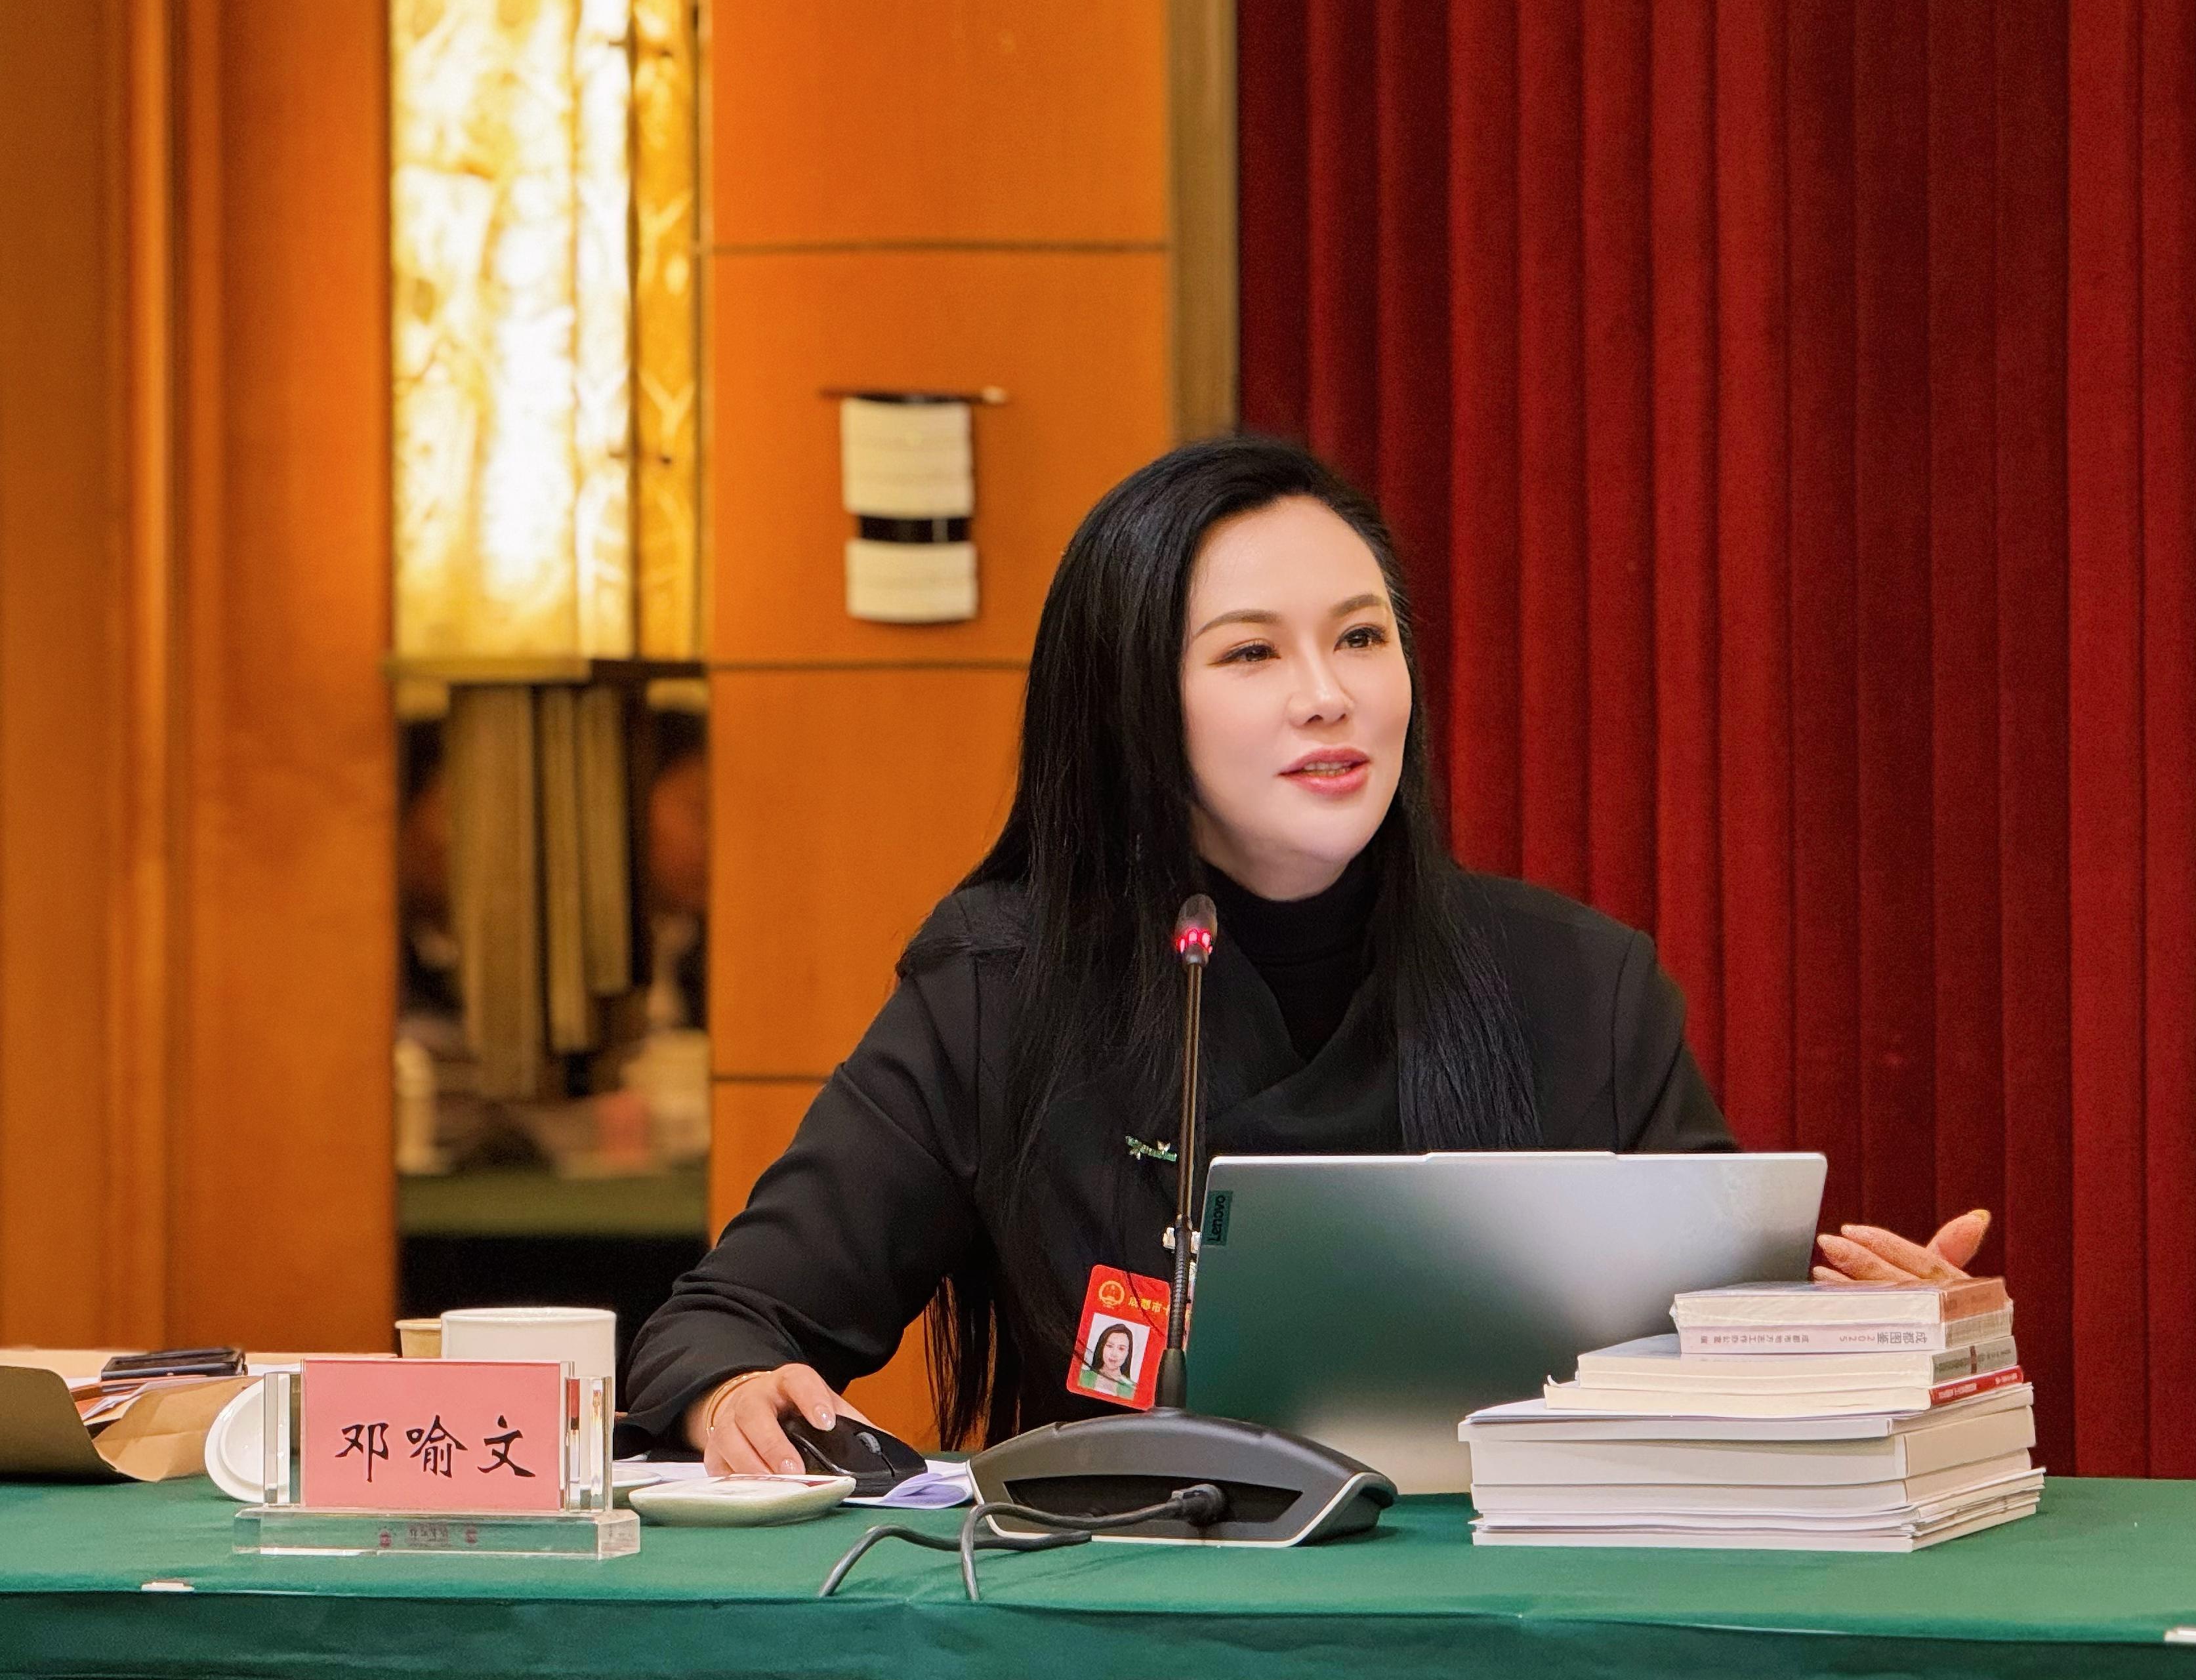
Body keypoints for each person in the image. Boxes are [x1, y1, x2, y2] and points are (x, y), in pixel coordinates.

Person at [623, 438, 1989, 1473]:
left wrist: (1888, 1333)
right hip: (1134, 1649)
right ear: (1130, 706)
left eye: (1360, 637)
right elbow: (719, 1323)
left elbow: (1724, 1365)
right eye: (1250, 654)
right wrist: (735, 1393)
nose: (1328, 694)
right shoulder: (999, 987)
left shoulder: (1581, 989)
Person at [1075, 1322, 1139, 1399]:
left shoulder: (1133, 1390)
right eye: (1110, 1346)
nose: (1114, 1354)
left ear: (1128, 1353)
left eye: (1121, 1349)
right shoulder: (1081, 1376)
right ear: (1102, 1347)